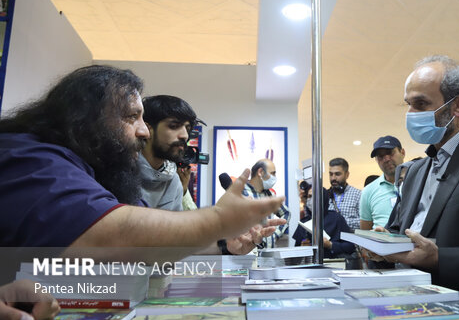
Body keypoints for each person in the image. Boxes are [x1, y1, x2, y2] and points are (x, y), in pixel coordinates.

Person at [0, 65, 284, 261]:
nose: (143, 131)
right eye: (130, 117)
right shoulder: (29, 158)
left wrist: (224, 245)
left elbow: (154, 241)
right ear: (84, 119)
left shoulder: (104, 173)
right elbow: (111, 235)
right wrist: (219, 220)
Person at [378, 55, 459, 305]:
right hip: (405, 300)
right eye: (408, 104)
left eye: (421, 103)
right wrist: (382, 244)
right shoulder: (416, 170)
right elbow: (398, 230)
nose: (411, 114)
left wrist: (439, 258)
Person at [139, 95, 196, 211]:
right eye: (174, 126)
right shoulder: (119, 174)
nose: (185, 136)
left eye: (187, 129)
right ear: (148, 129)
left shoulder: (173, 181)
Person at [293, 187, 356, 260]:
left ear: (323, 198)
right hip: (309, 265)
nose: (310, 200)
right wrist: (302, 248)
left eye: (313, 196)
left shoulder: (336, 219)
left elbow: (350, 246)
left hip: (334, 264)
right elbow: (295, 255)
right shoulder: (303, 222)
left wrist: (330, 245)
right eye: (308, 197)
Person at [359, 136, 405, 231]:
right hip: (381, 244)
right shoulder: (368, 191)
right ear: (376, 160)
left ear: (402, 152)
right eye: (380, 156)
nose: (386, 159)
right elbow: (365, 232)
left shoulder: (418, 182)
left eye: (390, 152)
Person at [244, 159, 290, 248]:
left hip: (268, 253)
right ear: (260, 172)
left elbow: (286, 213)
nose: (274, 177)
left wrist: (275, 234)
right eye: (272, 173)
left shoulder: (270, 195)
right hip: (247, 253)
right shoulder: (240, 193)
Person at [327, 158, 361, 231]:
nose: (333, 178)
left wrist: (339, 221)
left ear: (347, 175)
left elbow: (365, 222)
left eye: (337, 174)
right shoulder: (325, 195)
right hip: (328, 240)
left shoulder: (358, 195)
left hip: (351, 240)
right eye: (331, 174)